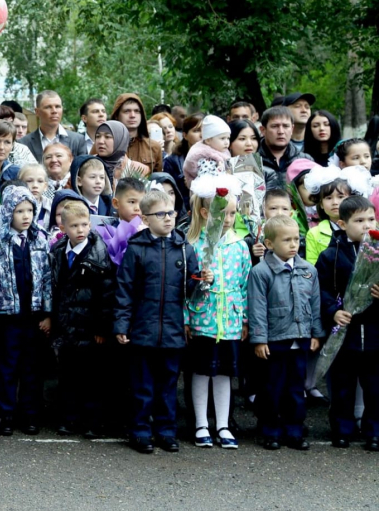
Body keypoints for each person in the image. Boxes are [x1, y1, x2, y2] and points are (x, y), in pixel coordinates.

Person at [115, 190, 200, 453]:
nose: (168, 219)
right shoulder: (137, 249)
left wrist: (201, 281)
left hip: (173, 330)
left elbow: (191, 291)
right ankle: (140, 430)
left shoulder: (184, 248)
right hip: (143, 329)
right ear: (146, 217)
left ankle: (166, 430)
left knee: (168, 385)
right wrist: (121, 325)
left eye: (171, 212)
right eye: (161, 214)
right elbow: (124, 289)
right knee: (143, 385)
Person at [248, 215, 323, 450]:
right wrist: (259, 339)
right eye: (287, 240)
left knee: (295, 389)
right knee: (271, 387)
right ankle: (270, 429)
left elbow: (315, 304)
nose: (294, 245)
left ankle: (294, 430)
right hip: (274, 340)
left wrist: (316, 333)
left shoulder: (308, 270)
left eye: (296, 239)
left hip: (300, 339)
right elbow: (257, 307)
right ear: (269, 244)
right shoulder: (261, 272)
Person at [186, 179, 250, 449]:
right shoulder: (193, 245)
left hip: (230, 320)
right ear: (204, 213)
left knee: (224, 373)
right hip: (203, 318)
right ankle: (201, 423)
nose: (228, 218)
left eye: (233, 213)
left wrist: (245, 318)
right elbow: (185, 287)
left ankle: (222, 424)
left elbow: (244, 284)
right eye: (222, 212)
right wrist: (187, 317)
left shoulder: (240, 246)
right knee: (201, 371)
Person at [0, 186, 52, 436]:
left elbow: (46, 278)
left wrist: (47, 313)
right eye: (19, 211)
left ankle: (30, 414)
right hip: (7, 318)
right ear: (8, 213)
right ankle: (4, 414)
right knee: (6, 367)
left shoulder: (40, 239)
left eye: (30, 210)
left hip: (33, 317)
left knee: (31, 368)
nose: (26, 216)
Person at [316, 196, 379, 450]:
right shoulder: (331, 255)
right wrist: (333, 311)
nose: (367, 225)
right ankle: (342, 428)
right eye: (359, 220)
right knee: (342, 386)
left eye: (371, 219)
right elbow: (320, 289)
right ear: (342, 224)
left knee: (375, 388)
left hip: (375, 334)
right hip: (345, 334)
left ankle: (374, 430)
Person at [49, 201, 114, 437]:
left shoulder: (98, 254)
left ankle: (91, 422)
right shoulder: (58, 252)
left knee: (91, 378)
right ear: (63, 227)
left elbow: (106, 294)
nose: (80, 230)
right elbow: (54, 289)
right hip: (66, 327)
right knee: (68, 376)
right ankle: (68, 418)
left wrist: (101, 327)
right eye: (74, 225)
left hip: (88, 327)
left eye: (84, 224)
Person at [18, 90, 87, 163]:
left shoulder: (77, 140)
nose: (54, 111)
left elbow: (82, 171)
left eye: (57, 106)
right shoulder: (23, 143)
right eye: (48, 107)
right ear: (37, 112)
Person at [305, 170, 352, 264]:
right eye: (328, 198)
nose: (335, 202)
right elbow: (312, 267)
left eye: (340, 196)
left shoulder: (363, 226)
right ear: (321, 204)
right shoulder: (314, 233)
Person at [109, 93, 163, 173]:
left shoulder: (154, 147)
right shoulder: (103, 143)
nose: (133, 115)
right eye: (127, 111)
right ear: (117, 115)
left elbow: (157, 180)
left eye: (137, 111)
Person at [258, 106, 313, 183]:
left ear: (292, 129)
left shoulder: (305, 160)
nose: (281, 131)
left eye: (286, 126)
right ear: (263, 130)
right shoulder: (251, 160)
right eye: (274, 126)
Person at [164, 113, 204, 210]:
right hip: (185, 214)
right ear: (185, 135)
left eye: (205, 130)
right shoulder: (173, 161)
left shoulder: (217, 157)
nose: (202, 135)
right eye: (196, 130)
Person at [93, 120, 148, 187]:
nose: (101, 141)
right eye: (98, 136)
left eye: (107, 137)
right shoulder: (88, 164)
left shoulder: (139, 169)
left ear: (120, 139)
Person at [182, 115, 231, 185]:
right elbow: (208, 183)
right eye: (222, 138)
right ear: (208, 140)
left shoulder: (221, 151)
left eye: (228, 138)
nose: (226, 142)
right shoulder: (205, 159)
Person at [18, 163, 52, 230]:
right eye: (29, 181)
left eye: (40, 181)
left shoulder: (51, 206)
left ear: (45, 186)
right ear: (20, 183)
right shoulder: (13, 205)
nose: (35, 185)